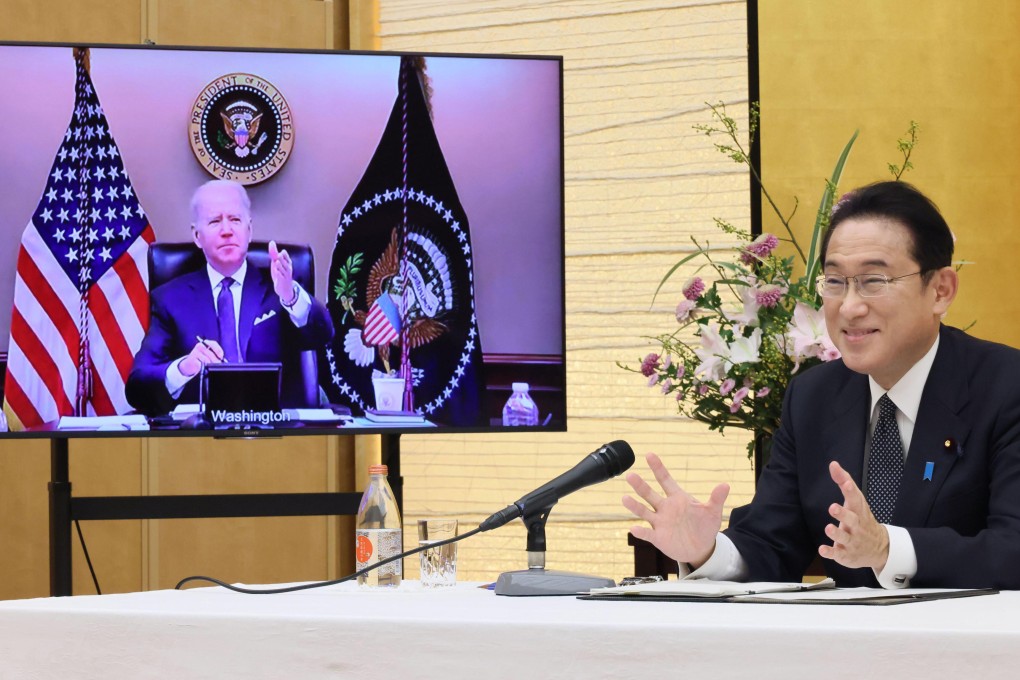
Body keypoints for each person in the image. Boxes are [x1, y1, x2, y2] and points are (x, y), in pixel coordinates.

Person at [624, 181, 1020, 589]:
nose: (849, 307)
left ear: (940, 290)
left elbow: (1013, 548)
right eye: (835, 282)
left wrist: (888, 549)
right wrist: (705, 550)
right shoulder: (813, 397)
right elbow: (771, 542)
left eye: (874, 281)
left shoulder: (1006, 386)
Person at [126, 179, 334, 416]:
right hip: (201, 433)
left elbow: (323, 334)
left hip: (275, 430)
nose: (227, 230)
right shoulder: (171, 300)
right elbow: (137, 387)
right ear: (197, 236)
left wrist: (290, 296)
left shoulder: (280, 289)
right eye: (215, 221)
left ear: (249, 230)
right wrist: (184, 368)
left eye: (235, 219)